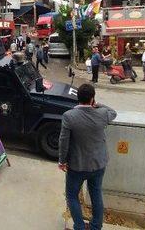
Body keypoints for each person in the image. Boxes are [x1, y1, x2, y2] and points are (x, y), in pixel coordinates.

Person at [58, 84, 117, 230]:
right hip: (98, 164)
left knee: (72, 196)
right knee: (96, 193)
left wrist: (62, 161)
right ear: (92, 98)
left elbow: (63, 141)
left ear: (77, 98)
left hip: (77, 166)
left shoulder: (69, 116)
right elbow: (113, 112)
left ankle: (79, 227)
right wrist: (97, 104)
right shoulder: (102, 113)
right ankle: (96, 226)